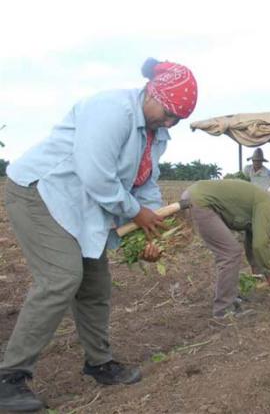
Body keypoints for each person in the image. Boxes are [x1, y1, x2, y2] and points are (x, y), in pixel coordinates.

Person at [0, 58, 198, 412]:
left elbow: (146, 185)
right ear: (151, 92)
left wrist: (149, 235)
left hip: (83, 206)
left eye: (177, 120)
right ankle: (9, 378)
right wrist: (137, 213)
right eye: (168, 113)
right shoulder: (111, 110)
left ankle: (99, 362)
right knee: (61, 278)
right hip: (41, 192)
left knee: (95, 286)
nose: (170, 122)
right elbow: (96, 176)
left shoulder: (156, 134)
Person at [181, 180, 270, 317]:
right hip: (200, 202)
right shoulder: (269, 204)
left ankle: (229, 297)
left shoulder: (263, 200)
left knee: (230, 252)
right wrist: (269, 274)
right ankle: (224, 309)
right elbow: (260, 243)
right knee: (230, 253)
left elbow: (252, 239)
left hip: (195, 196)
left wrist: (257, 268)